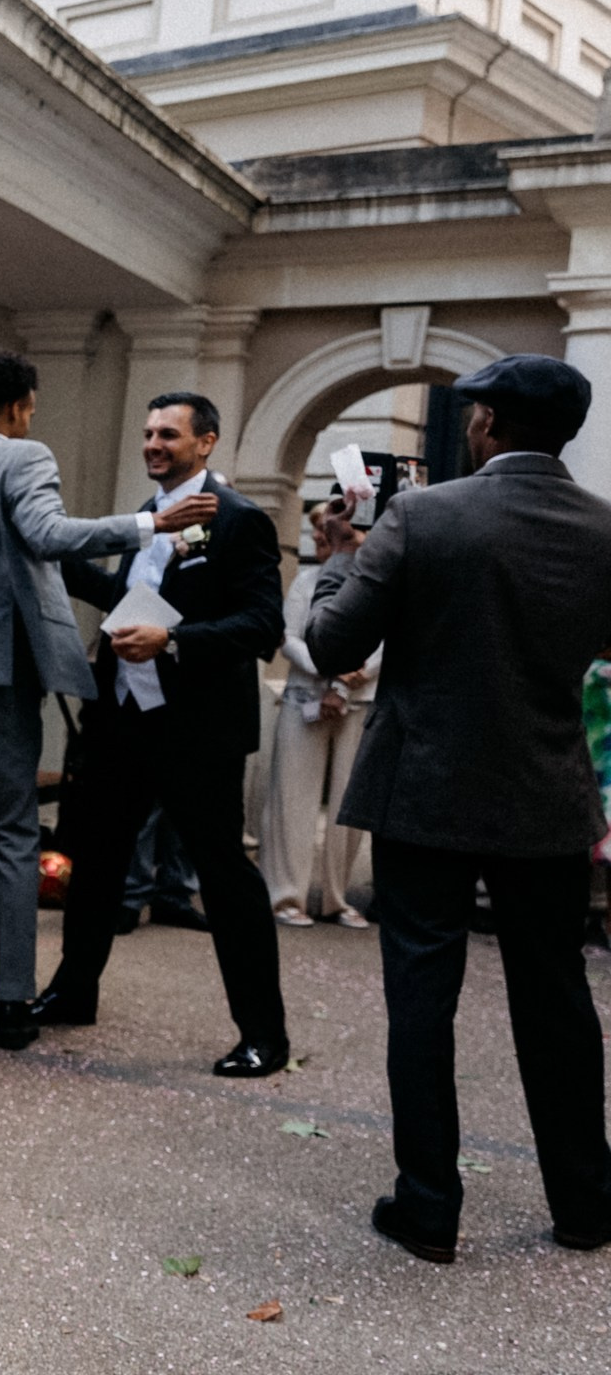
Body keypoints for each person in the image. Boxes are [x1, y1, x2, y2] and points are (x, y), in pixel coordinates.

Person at [304, 354, 611, 1263]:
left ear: (487, 423)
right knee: (557, 1000)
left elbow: (330, 643)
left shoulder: (424, 515)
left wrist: (336, 561)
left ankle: (430, 1203)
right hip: (547, 793)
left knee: (422, 999)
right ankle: (587, 1202)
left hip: (425, 791)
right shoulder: (604, 530)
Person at [0, 350, 209, 1048]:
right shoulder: (25, 457)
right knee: (11, 829)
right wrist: (152, 524)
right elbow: (48, 536)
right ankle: (10, 1000)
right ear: (21, 404)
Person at [38, 392, 289, 1076]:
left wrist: (174, 640)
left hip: (197, 730)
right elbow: (125, 600)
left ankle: (264, 1033)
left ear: (206, 442)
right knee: (97, 862)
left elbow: (264, 625)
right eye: (149, 432)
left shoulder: (239, 521)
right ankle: (72, 990)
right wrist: (53, 552)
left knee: (224, 878)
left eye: (169, 434)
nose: (154, 443)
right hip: (120, 719)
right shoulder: (144, 521)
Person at [259, 516, 378, 929]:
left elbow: (387, 636)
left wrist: (348, 679)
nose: (322, 538)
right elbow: (288, 636)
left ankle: (337, 897)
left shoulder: (377, 579)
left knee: (350, 800)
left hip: (361, 697)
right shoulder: (306, 581)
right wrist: (329, 670)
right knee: (292, 796)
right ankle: (285, 895)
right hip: (306, 694)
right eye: (322, 531)